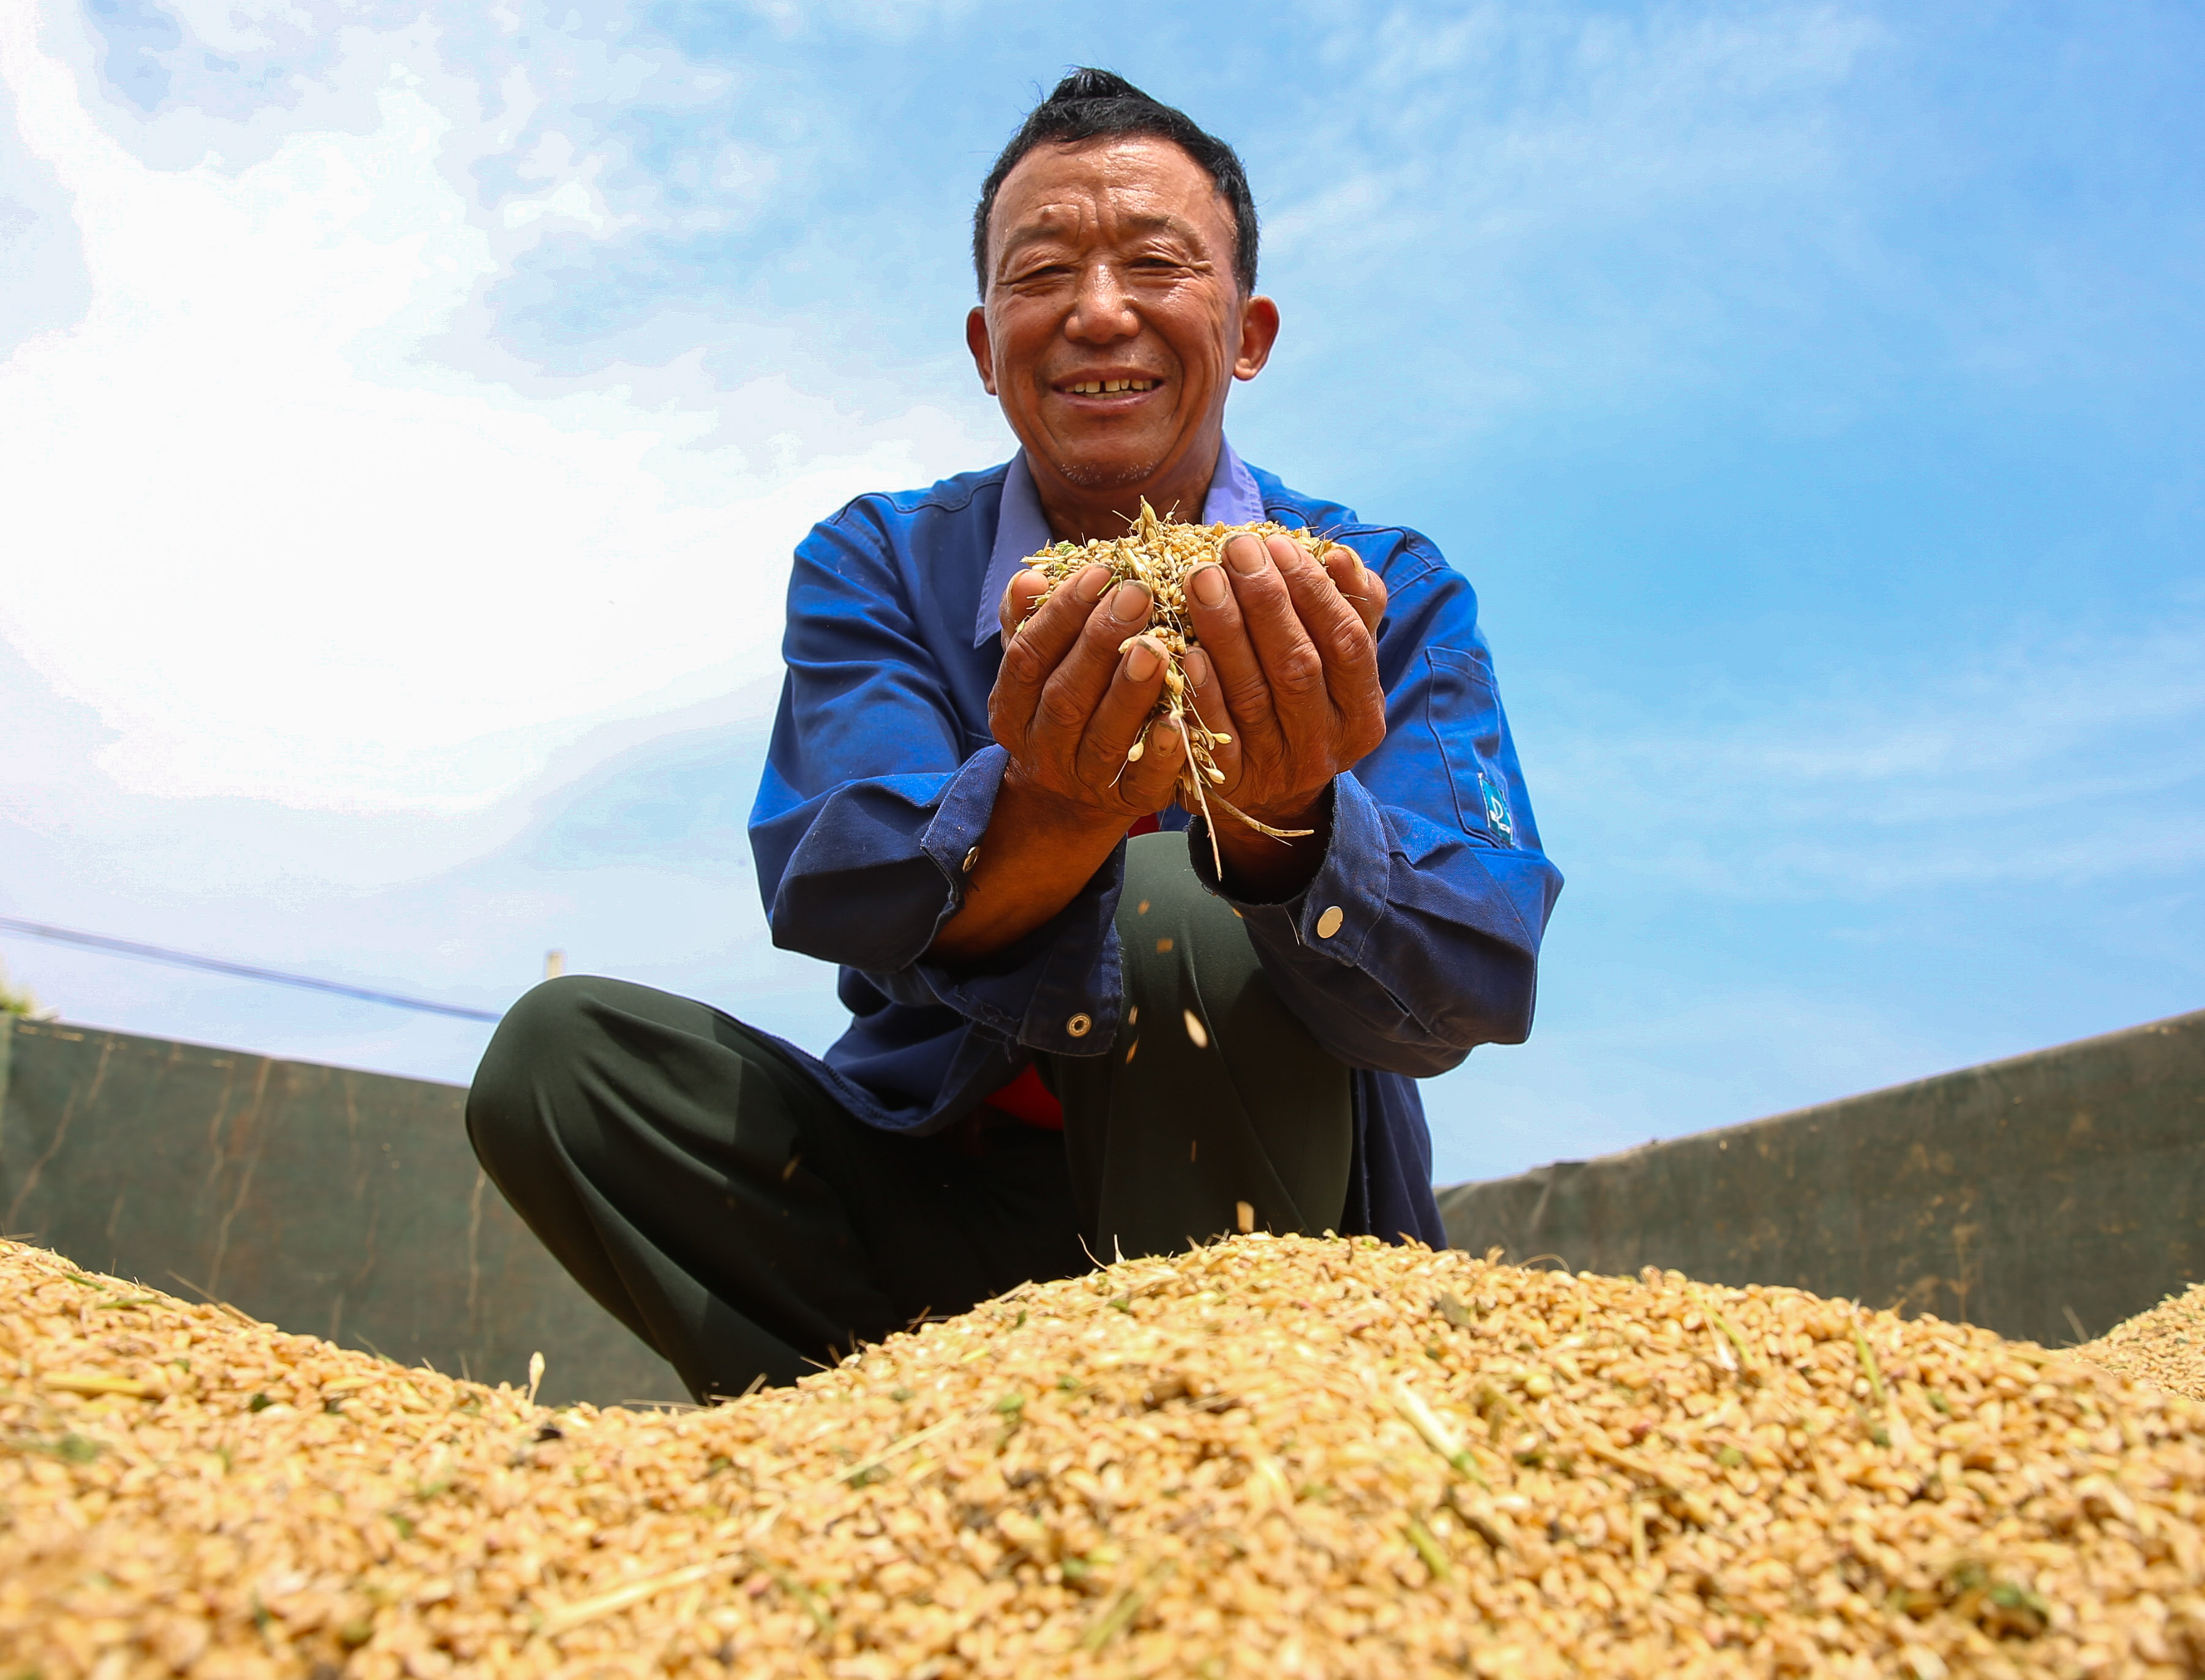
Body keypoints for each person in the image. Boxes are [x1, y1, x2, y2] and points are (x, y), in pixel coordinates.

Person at [465, 69, 1561, 1404]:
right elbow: (844, 879)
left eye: (1156, 262)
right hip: (934, 1177)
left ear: (1249, 328)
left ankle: (1204, 1450)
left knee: (1182, 898)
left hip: (1261, 1225)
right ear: (987, 343)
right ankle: (883, 1452)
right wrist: (1058, 802)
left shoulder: (1371, 590)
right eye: (1043, 274)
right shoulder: (878, 559)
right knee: (562, 1058)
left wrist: (1287, 832)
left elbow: (1480, 962)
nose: (1100, 312)